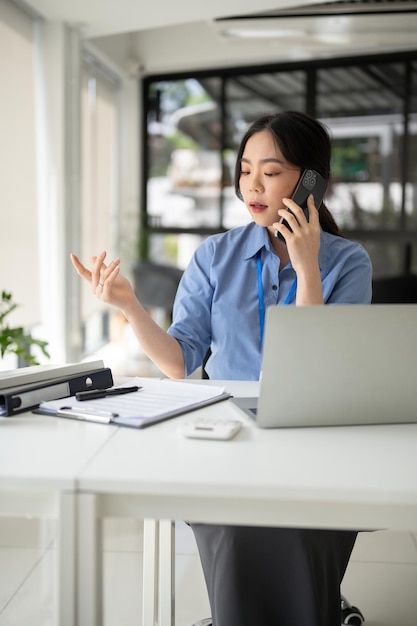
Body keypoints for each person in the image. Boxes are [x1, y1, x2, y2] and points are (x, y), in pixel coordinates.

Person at [71, 110, 372, 626]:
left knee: (306, 525)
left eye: (271, 171)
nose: (252, 184)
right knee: (232, 524)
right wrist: (130, 307)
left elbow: (319, 366)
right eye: (246, 169)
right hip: (230, 434)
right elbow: (178, 362)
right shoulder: (214, 255)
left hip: (314, 437)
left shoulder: (348, 262)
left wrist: (306, 267)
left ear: (311, 182)